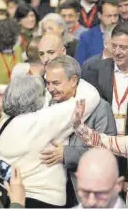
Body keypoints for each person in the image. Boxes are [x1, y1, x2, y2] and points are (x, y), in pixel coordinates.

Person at [0, 74, 100, 207]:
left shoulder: (5, 120)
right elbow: (90, 97)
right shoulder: (39, 121)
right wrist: (72, 77)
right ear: (35, 99)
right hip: (43, 201)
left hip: (13, 198)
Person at [40, 55, 117, 206]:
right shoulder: (45, 105)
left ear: (73, 81)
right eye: (47, 83)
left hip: (86, 192)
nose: (50, 89)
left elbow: (107, 154)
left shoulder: (99, 108)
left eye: (56, 83)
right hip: (51, 190)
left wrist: (67, 154)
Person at [82, 22, 128, 135]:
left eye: (123, 47)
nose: (117, 52)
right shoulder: (96, 70)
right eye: (114, 46)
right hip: (104, 139)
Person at [75, 0, 119, 65]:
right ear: (99, 15)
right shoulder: (86, 37)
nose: (113, 20)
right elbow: (79, 65)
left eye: (115, 15)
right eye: (109, 16)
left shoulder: (126, 35)